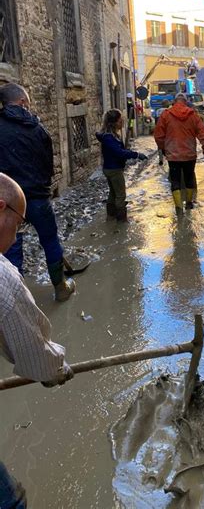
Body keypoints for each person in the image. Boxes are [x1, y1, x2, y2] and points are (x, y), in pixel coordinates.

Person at [0, 173, 73, 508]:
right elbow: (34, 355)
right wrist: (56, 369)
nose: (17, 236)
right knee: (9, 500)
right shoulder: (3, 279)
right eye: (18, 224)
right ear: (2, 208)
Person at [0, 83, 75, 302]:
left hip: (8, 202)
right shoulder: (37, 129)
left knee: (11, 247)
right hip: (37, 198)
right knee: (50, 240)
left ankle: (16, 299)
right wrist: (43, 188)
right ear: (22, 102)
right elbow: (48, 165)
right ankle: (61, 287)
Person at [154, 93, 204, 212]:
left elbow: (158, 135)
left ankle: (178, 207)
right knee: (189, 177)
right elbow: (203, 134)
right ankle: (189, 203)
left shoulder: (166, 115)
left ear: (174, 102)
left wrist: (164, 148)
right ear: (185, 102)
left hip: (173, 155)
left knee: (175, 180)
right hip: (189, 154)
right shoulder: (193, 115)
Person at [96, 109, 147, 222]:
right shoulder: (109, 138)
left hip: (109, 168)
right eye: (120, 120)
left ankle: (110, 217)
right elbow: (119, 153)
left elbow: (119, 151)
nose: (122, 122)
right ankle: (121, 220)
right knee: (120, 194)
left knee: (113, 192)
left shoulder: (110, 136)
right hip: (114, 169)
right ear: (114, 122)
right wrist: (136, 154)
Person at [154, 99, 171, 165]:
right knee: (168, 144)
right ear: (167, 105)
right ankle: (169, 157)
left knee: (159, 145)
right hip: (167, 130)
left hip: (159, 130)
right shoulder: (169, 111)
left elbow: (156, 120)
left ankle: (160, 159)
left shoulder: (158, 111)